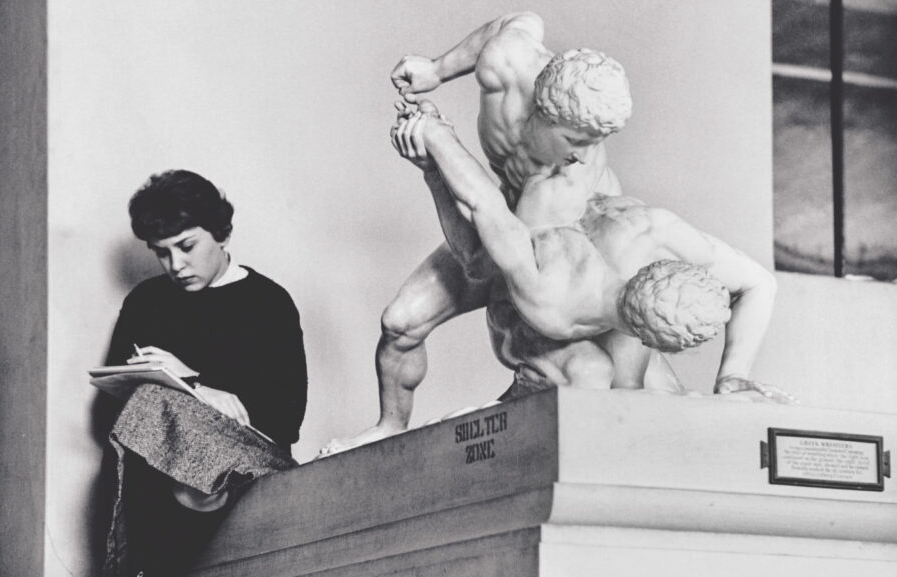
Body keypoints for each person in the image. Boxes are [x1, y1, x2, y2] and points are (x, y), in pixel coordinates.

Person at [321, 13, 642, 455]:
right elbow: (516, 22)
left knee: (577, 376)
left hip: (551, 252)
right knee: (400, 324)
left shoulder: (571, 184)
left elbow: (479, 258)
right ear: (544, 112)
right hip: (500, 216)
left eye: (596, 140)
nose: (586, 153)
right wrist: (437, 69)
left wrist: (435, 162)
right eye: (575, 139)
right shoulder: (511, 62)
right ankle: (390, 426)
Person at [386, 101, 795, 404]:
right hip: (505, 250)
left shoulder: (654, 233)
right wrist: (436, 145)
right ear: (651, 341)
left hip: (526, 236)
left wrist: (734, 376)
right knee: (406, 320)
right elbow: (485, 215)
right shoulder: (556, 300)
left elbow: (760, 283)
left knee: (638, 394)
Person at [102, 169, 307, 575]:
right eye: (161, 252)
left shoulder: (268, 303)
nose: (176, 265)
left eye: (187, 246)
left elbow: (285, 422)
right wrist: (193, 393)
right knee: (146, 404)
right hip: (161, 468)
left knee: (154, 404)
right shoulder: (146, 302)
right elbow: (110, 415)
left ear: (222, 235)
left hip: (248, 463)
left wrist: (193, 383)